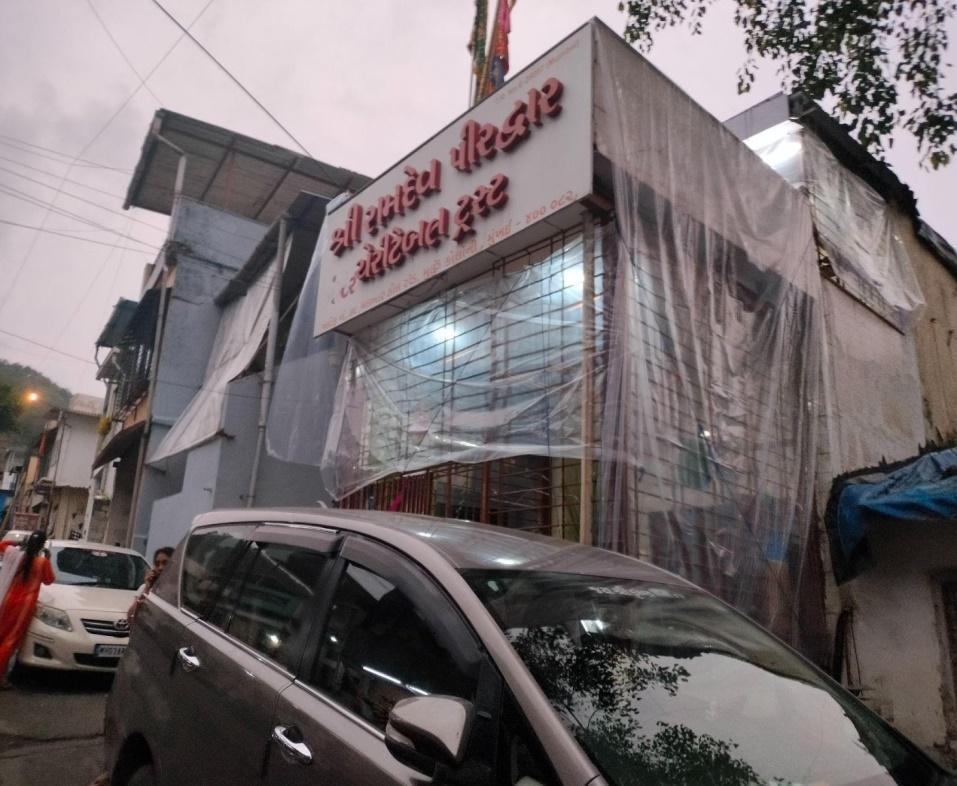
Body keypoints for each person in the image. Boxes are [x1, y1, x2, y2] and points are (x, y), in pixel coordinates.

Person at [0, 530, 55, 688]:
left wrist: (17, 544)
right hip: (24, 606)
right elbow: (49, 580)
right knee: (10, 640)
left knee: (2, 635)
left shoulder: (17, 556)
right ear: (43, 545)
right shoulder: (42, 562)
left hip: (8, 600)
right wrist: (48, 559)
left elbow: (1, 545)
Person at [127, 547, 173, 625]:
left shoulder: (177, 590)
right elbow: (131, 617)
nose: (160, 567)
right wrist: (147, 588)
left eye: (165, 563)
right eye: (157, 564)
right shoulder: (145, 588)